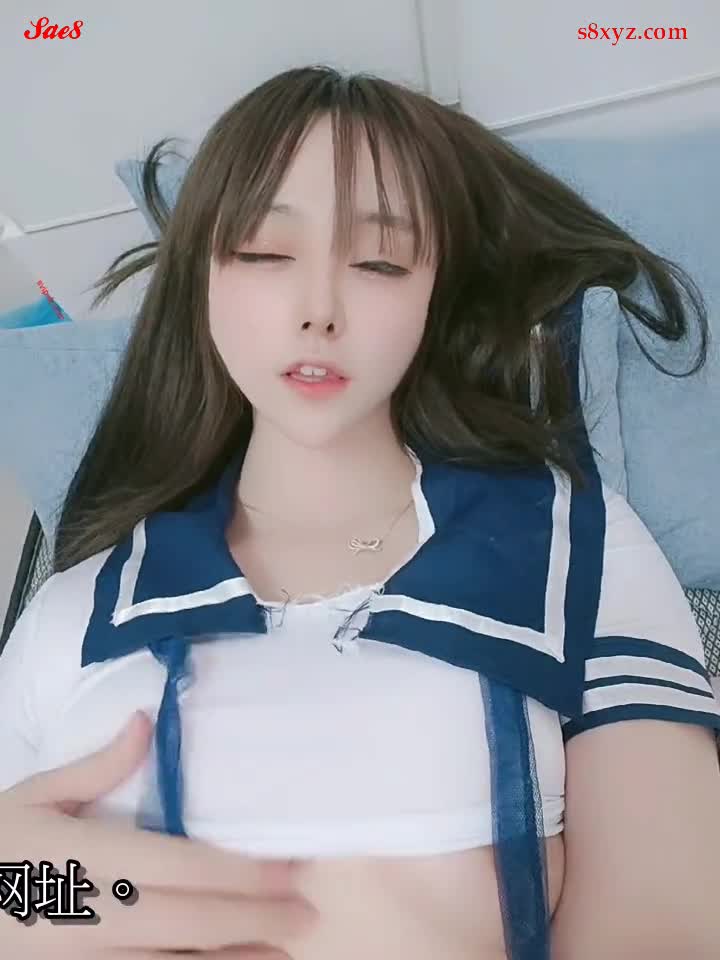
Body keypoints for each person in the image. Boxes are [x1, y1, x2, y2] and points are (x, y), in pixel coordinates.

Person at [1, 64, 719, 960]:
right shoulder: (70, 612)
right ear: (202, 283)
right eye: (266, 253)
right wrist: (24, 907)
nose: (319, 311)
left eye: (378, 261)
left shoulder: (569, 544)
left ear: (435, 293)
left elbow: (665, 929)